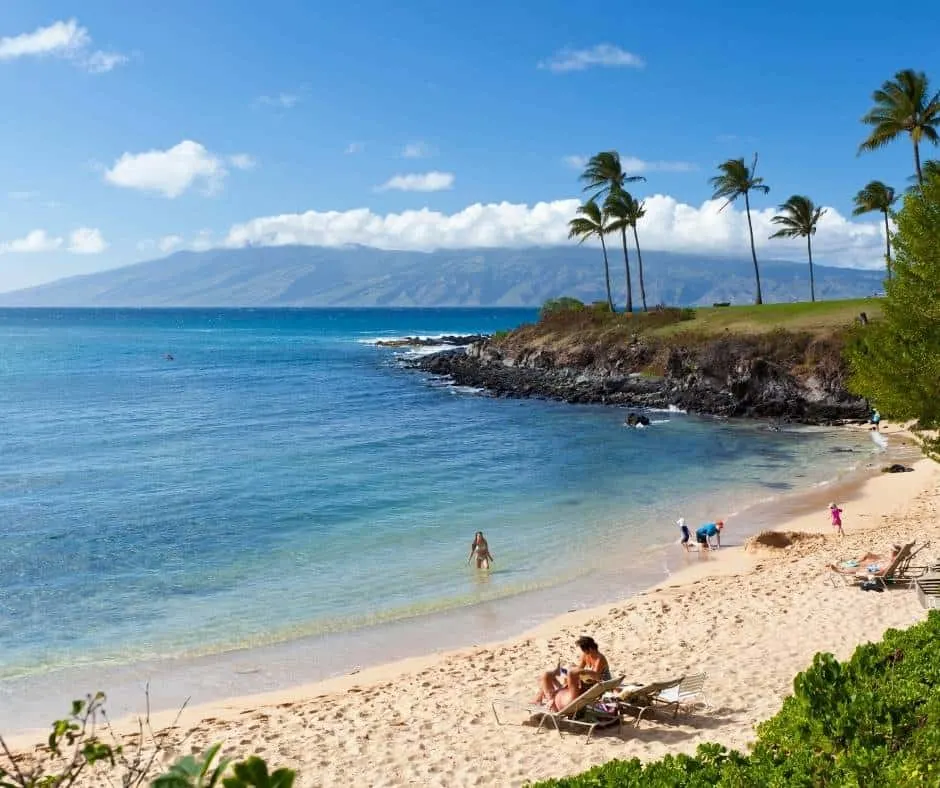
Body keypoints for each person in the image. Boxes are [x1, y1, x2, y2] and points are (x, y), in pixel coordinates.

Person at [534, 636, 611, 711]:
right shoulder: (586, 655)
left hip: (602, 683)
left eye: (583, 650)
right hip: (589, 681)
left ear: (590, 649)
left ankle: (544, 699)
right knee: (555, 674)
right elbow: (580, 667)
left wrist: (581, 673)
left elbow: (595, 677)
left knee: (571, 675)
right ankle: (541, 698)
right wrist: (573, 673)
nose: (583, 652)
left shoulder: (599, 658)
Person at [828, 544, 900, 574]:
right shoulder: (894, 558)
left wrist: (875, 564)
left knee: (860, 567)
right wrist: (879, 559)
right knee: (867, 556)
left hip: (879, 569)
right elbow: (886, 563)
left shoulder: (892, 559)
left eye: (891, 550)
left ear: (894, 552)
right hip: (880, 565)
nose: (889, 550)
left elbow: (883, 570)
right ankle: (844, 565)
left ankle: (841, 570)